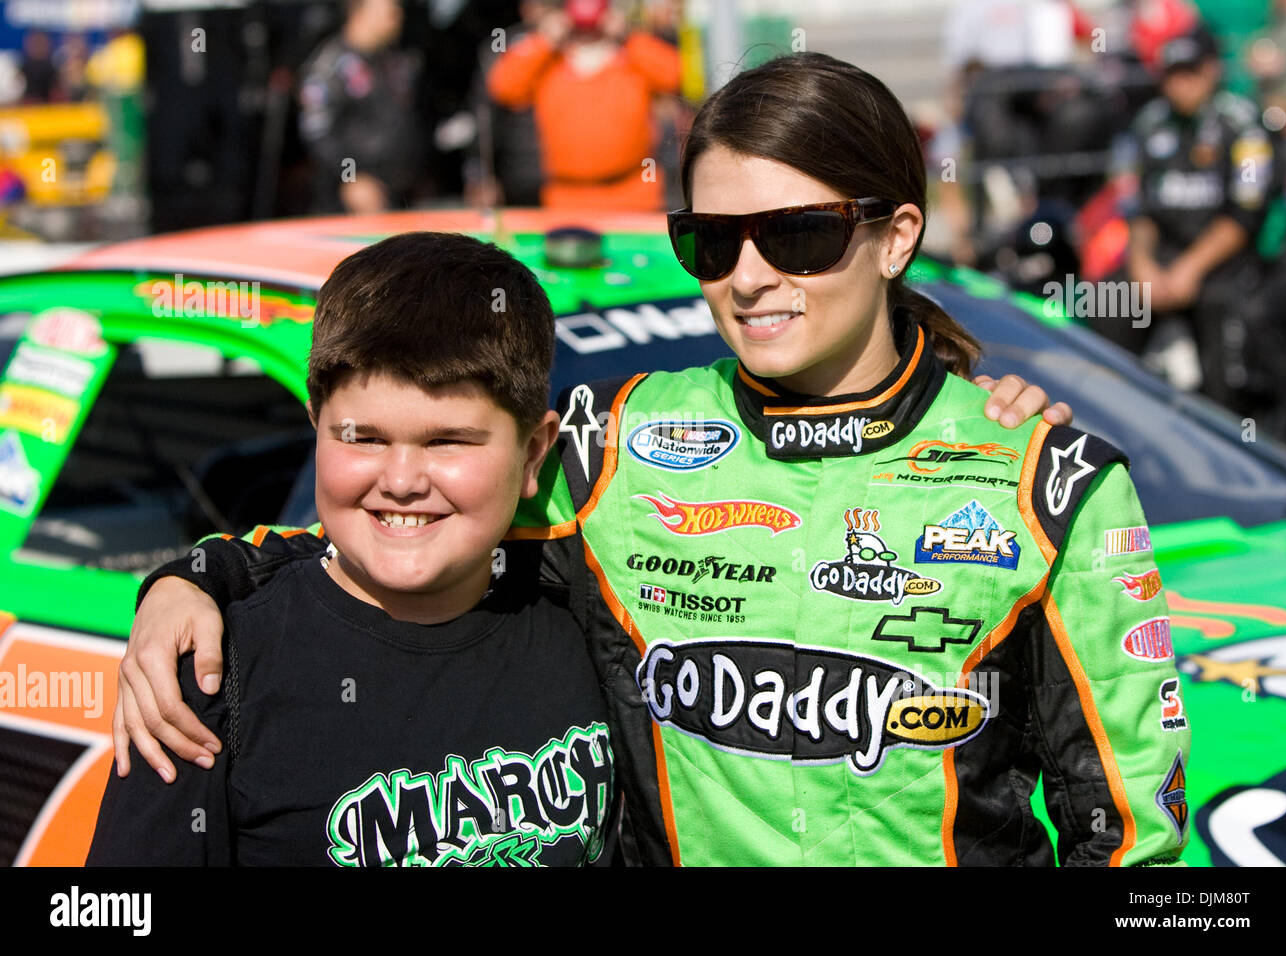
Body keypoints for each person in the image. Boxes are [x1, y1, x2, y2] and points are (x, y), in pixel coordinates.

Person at [116, 54, 1184, 867]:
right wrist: (198, 575)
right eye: (711, 241)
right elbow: (400, 511)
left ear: (896, 235)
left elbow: (1133, 837)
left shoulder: (1052, 478)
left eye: (797, 234)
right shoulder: (614, 443)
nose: (750, 276)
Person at [86, 233, 614, 865]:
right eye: (363, 438)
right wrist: (192, 578)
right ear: (315, 425)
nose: (400, 481)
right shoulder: (209, 668)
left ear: (533, 453)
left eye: (449, 442)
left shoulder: (598, 622)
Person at [1105, 25, 1277, 405]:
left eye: (1190, 73)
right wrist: (1143, 267)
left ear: (1212, 70)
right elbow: (1137, 207)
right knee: (1107, 301)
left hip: (1224, 265)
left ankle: (1233, 425)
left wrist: (1189, 270)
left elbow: (1244, 215)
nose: (1180, 84)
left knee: (1225, 325)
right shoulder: (1148, 124)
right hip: (1160, 257)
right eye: (1172, 74)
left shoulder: (1245, 126)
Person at [485, 0, 680, 210]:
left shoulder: (630, 57)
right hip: (566, 197)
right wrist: (545, 39)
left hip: (634, 193)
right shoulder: (550, 63)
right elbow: (503, 87)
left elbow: (676, 75)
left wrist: (628, 37)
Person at [298, 0, 422, 214]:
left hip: (397, 192)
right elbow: (317, 132)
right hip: (348, 201)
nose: (397, 14)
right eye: (389, 9)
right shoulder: (330, 65)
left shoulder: (392, 60)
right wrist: (352, 178)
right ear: (359, 12)